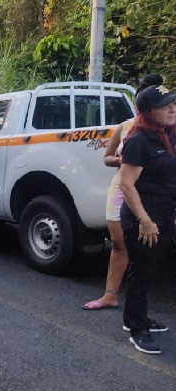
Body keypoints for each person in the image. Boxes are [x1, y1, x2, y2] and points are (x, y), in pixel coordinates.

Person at [83, 74, 164, 310]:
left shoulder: (167, 129)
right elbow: (107, 157)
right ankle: (111, 295)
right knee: (118, 242)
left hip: (151, 192)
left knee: (152, 246)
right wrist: (121, 160)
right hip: (121, 187)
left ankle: (140, 303)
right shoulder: (125, 126)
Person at [119, 84, 176, 354]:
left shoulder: (168, 135)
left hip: (163, 215)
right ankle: (136, 328)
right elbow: (127, 184)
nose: (172, 108)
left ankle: (138, 317)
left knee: (150, 269)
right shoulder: (138, 140)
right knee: (141, 272)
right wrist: (144, 219)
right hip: (142, 219)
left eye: (173, 103)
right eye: (165, 105)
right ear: (147, 112)